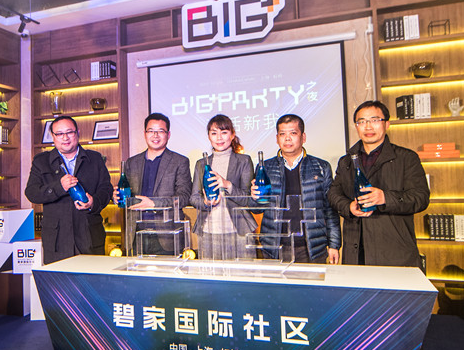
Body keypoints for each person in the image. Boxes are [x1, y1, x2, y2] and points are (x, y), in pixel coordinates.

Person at [328, 100, 430, 350]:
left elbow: (420, 198)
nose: (368, 126)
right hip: (356, 253)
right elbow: (334, 194)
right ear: (356, 126)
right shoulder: (347, 161)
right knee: (360, 325)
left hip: (394, 253)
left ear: (386, 123)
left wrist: (386, 197)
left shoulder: (406, 158)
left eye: (375, 119)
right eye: (362, 121)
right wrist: (348, 207)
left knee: (403, 326)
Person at [252, 114, 341, 264]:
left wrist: (334, 244)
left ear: (303, 137)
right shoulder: (265, 168)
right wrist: (254, 198)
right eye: (282, 134)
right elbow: (257, 208)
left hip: (311, 248)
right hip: (275, 247)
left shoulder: (321, 167)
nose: (287, 139)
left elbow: (330, 209)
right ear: (277, 139)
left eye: (293, 133)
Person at [25, 115, 113, 264]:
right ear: (53, 136)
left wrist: (93, 202)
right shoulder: (41, 161)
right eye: (59, 134)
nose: (65, 138)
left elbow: (106, 189)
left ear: (77, 133)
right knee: (58, 279)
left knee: (90, 277)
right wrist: (59, 187)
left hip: (89, 236)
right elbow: (32, 193)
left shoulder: (95, 158)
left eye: (69, 132)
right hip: (57, 240)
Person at [114, 113, 192, 255]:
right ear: (145, 134)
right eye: (151, 131)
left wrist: (154, 204)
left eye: (160, 131)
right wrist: (116, 197)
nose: (155, 135)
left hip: (167, 236)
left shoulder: (180, 162)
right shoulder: (132, 163)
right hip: (136, 234)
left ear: (168, 135)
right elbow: (127, 195)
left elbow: (184, 197)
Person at [189, 114, 257, 260]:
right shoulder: (201, 164)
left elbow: (248, 199)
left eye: (224, 132)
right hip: (208, 231)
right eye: (214, 133)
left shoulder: (244, 161)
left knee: (243, 273)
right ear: (209, 136)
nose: (219, 138)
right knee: (211, 274)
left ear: (232, 135)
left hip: (239, 231)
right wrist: (205, 202)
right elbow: (194, 198)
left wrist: (228, 185)